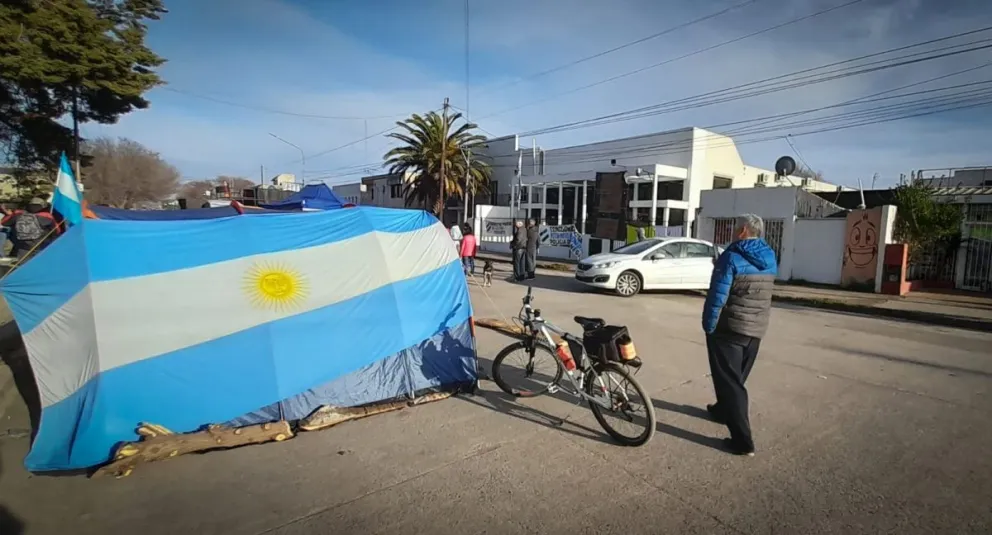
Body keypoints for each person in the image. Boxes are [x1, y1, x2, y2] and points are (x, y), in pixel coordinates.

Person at [701, 213, 777, 457]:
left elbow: (717, 297)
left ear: (743, 230)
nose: (733, 231)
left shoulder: (731, 257)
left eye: (735, 228)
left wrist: (709, 325)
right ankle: (724, 409)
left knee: (731, 382)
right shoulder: (770, 257)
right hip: (756, 328)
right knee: (736, 375)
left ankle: (743, 441)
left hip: (731, 328)